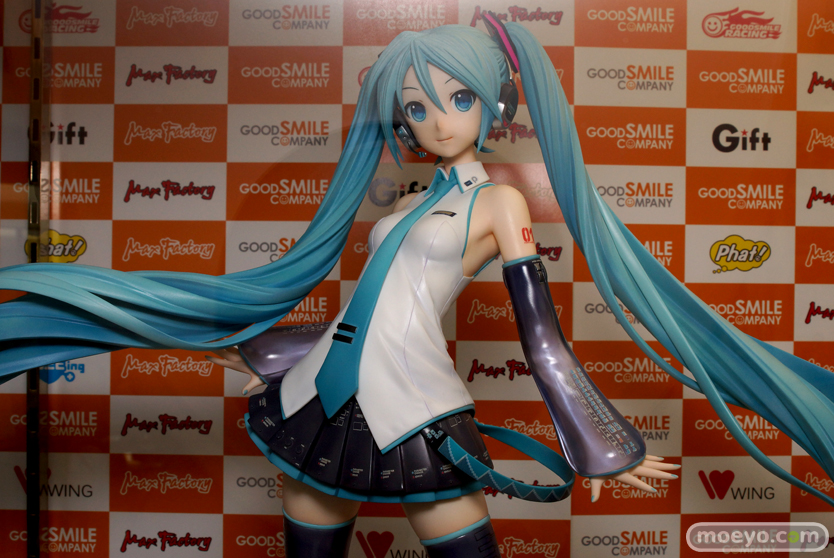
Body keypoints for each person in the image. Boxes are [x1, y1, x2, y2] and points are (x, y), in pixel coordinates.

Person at [0, 20, 832, 558]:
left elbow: (540, 334)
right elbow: (373, 307)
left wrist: (601, 443)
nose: (437, 120)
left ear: (494, 101)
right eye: (418, 108)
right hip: (321, 403)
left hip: (415, 415)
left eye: (456, 98)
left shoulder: (500, 205)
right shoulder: (403, 206)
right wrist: (275, 355)